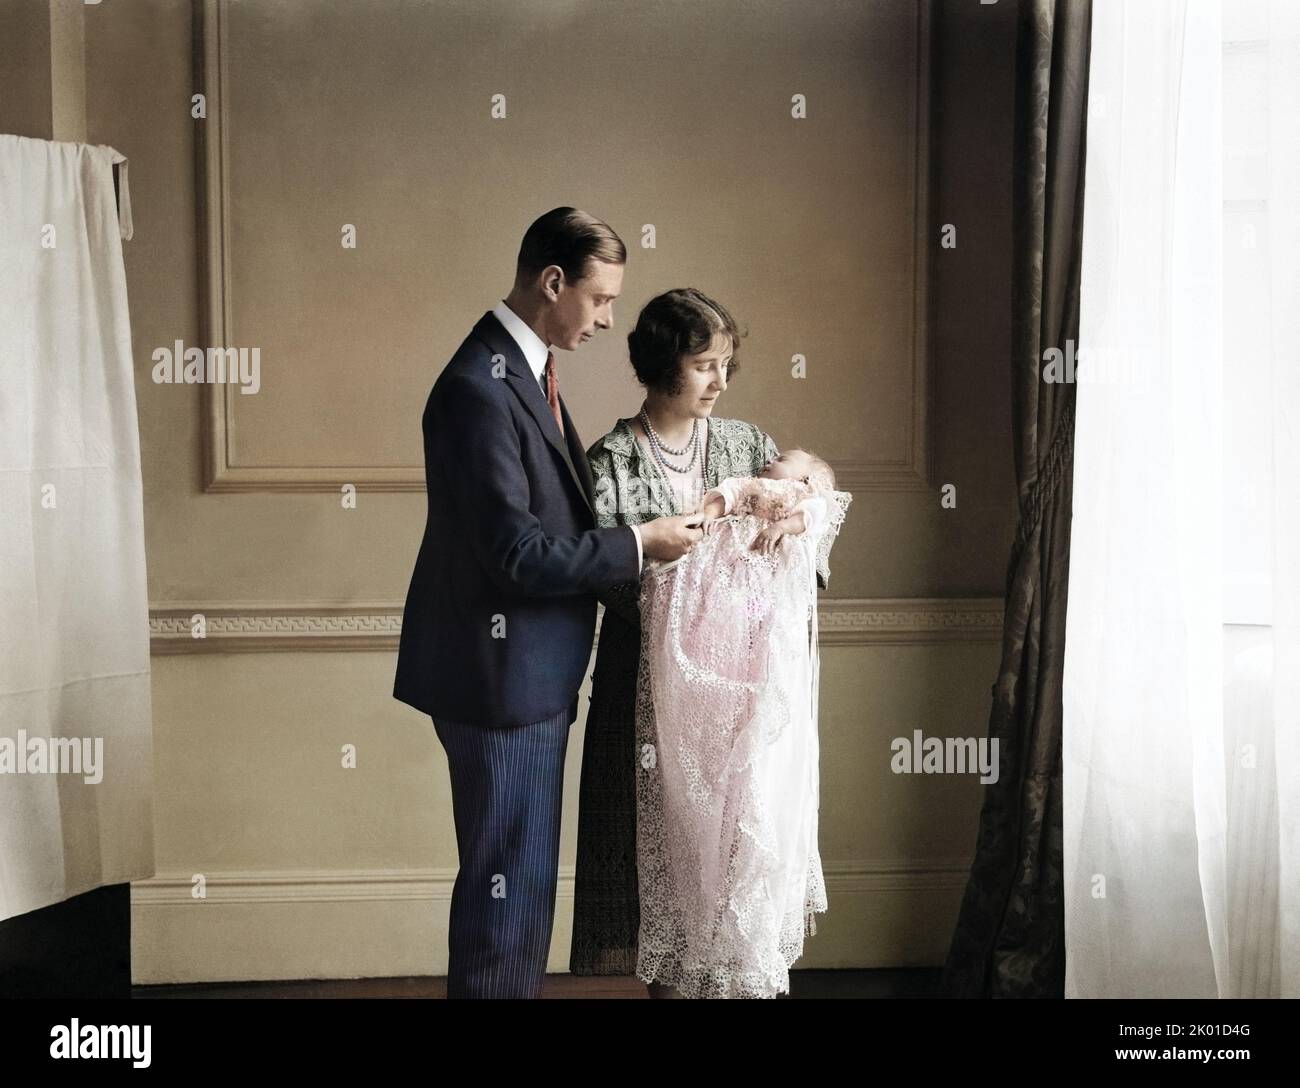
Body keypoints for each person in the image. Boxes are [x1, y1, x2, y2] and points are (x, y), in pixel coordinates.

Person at [393, 208, 702, 999]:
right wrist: (640, 543)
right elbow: (516, 556)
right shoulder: (478, 388)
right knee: (509, 895)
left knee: (517, 888)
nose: (607, 319)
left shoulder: (517, 370)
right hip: (501, 679)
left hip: (523, 673)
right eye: (599, 300)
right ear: (552, 280)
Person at [569, 288, 844, 996]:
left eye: (726, 365)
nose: (720, 382)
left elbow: (813, 491)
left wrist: (799, 516)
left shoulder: (747, 444)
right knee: (659, 877)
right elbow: (604, 573)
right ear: (663, 365)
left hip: (743, 693)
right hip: (645, 687)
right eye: (703, 366)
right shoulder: (611, 462)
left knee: (734, 861)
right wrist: (683, 579)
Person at [636, 447, 852, 998]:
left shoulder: (804, 498)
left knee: (755, 786)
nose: (769, 459)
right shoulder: (746, 484)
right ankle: (699, 957)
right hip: (719, 607)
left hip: (760, 624)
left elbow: (824, 510)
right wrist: (709, 516)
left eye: (786, 460)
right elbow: (722, 496)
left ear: (804, 477)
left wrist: (792, 522)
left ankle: (743, 957)